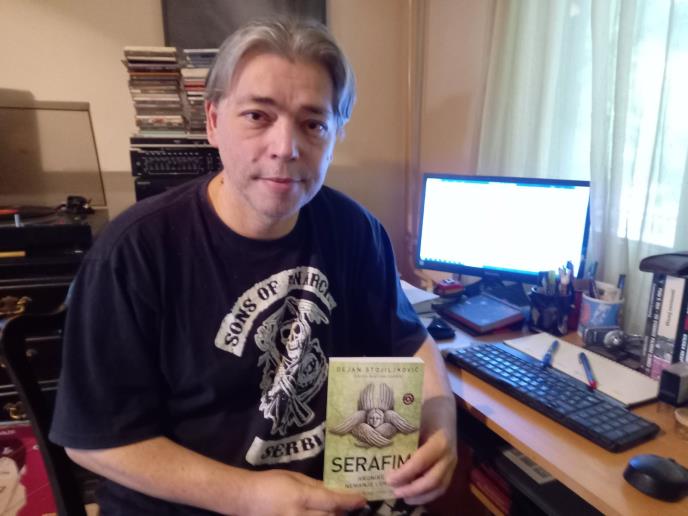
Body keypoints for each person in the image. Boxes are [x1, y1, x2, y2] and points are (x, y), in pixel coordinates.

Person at [49, 17, 457, 515]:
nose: (285, 147)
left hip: (327, 499)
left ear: (336, 134)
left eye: (313, 123)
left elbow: (409, 340)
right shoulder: (131, 252)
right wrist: (248, 496)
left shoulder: (357, 231)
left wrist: (441, 421)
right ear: (213, 121)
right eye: (258, 116)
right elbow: (93, 440)